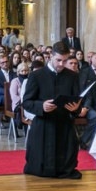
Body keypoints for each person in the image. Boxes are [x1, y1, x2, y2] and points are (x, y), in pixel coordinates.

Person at [23, 41, 83, 179]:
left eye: (65, 60)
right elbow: (26, 102)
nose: (61, 64)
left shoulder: (72, 76)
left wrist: (76, 108)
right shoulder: (36, 76)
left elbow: (78, 101)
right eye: (58, 60)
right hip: (44, 123)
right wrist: (41, 106)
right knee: (40, 166)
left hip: (64, 124)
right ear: (51, 56)